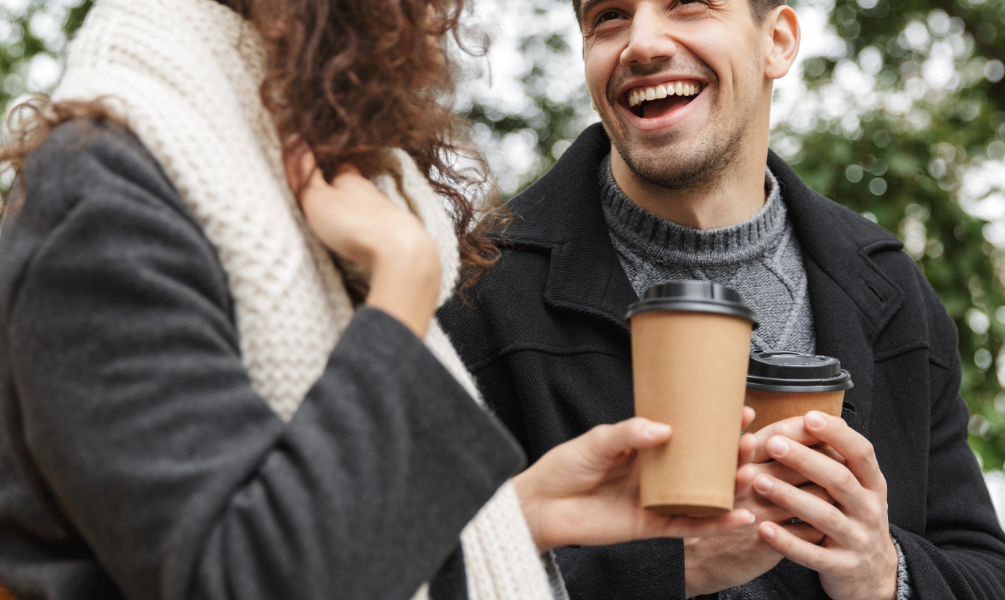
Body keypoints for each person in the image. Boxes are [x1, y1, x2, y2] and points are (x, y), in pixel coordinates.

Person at [0, 0, 757, 598]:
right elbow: (254, 578)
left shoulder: (308, 186)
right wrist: (400, 288)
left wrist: (512, 524)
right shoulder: (103, 200)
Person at [437, 0, 1005, 598]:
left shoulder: (893, 291)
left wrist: (884, 572)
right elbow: (403, 574)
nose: (642, 43)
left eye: (688, 5)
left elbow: (995, 579)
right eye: (610, 16)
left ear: (777, 41)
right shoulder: (474, 291)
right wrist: (669, 567)